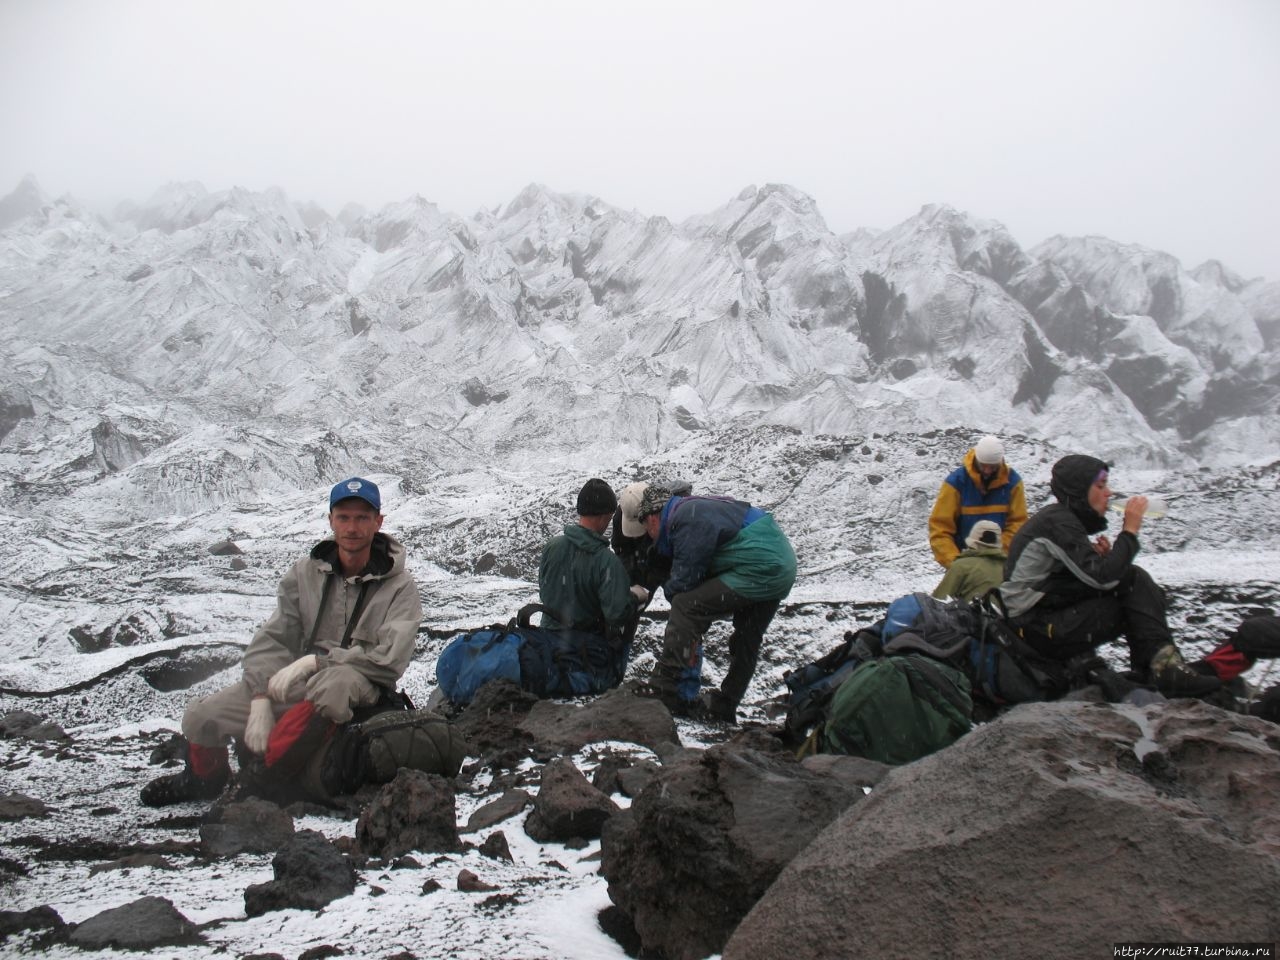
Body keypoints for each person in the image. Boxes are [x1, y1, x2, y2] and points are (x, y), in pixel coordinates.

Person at [141, 477, 423, 806]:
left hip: (358, 685)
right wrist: (261, 694)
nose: (352, 527)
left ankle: (263, 779)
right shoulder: (304, 574)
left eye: (362, 517)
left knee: (334, 685)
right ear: (331, 520)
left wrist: (320, 662)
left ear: (378, 522)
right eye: (344, 517)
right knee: (201, 717)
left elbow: (388, 662)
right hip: (296, 683)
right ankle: (204, 779)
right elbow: (273, 638)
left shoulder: (400, 588)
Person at [998, 455, 1220, 698]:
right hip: (1033, 631)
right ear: (1080, 490)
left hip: (1037, 622)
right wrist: (1130, 531)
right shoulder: (1059, 522)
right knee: (1131, 587)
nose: (1109, 493)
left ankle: (1158, 670)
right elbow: (1102, 578)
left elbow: (1071, 576)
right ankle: (1162, 671)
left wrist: (1104, 560)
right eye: (1101, 486)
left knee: (1131, 580)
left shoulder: (1059, 519)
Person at [635, 485, 797, 721]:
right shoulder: (694, 507)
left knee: (685, 605)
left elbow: (684, 583)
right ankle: (726, 705)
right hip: (781, 565)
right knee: (747, 639)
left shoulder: (683, 518)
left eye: (645, 528)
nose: (648, 535)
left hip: (760, 566)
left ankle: (669, 687)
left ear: (651, 518)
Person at [539, 478, 643, 648]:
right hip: (583, 652)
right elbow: (617, 615)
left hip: (546, 646)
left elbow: (545, 593)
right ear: (605, 517)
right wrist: (634, 597)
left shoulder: (552, 546)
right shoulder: (606, 561)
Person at [929, 435, 1027, 569]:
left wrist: (996, 555)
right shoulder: (955, 484)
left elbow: (1018, 524)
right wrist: (956, 564)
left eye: (992, 467)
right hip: (962, 562)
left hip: (999, 564)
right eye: (983, 466)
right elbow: (940, 530)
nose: (987, 471)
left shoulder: (1013, 484)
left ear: (1000, 462)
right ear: (975, 459)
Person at [932, 519, 1006, 601]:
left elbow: (938, 601)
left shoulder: (961, 566)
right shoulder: (1010, 568)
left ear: (972, 541)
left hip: (972, 613)